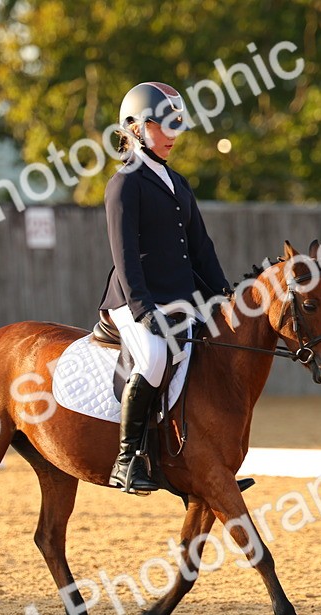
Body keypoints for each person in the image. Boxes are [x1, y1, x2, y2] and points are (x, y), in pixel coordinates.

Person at [98, 81, 233, 493]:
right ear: (136, 127)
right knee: (155, 357)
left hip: (179, 298)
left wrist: (225, 295)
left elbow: (201, 248)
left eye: (177, 125)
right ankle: (126, 461)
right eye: (164, 126)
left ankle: (197, 464)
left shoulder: (177, 182)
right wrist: (142, 310)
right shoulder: (124, 184)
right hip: (133, 299)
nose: (172, 135)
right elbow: (124, 256)